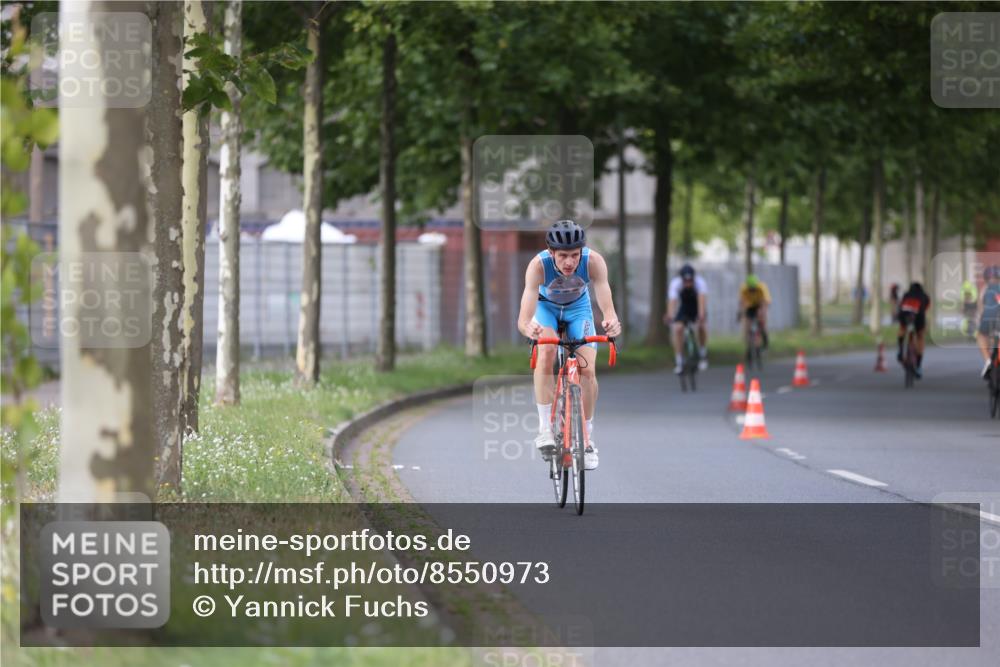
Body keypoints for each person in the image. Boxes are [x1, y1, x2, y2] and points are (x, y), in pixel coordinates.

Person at [517, 220, 622, 471]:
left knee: (588, 370)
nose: (569, 262)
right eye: (563, 256)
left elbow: (606, 303)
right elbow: (523, 318)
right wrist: (527, 327)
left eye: (574, 255)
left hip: (578, 310)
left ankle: (586, 440)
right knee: (548, 350)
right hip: (546, 309)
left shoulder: (593, 261)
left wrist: (611, 320)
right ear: (551, 253)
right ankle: (544, 429)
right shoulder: (538, 266)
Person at [664, 263, 709, 374]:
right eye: (686, 281)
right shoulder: (675, 284)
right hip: (684, 307)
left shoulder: (700, 283)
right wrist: (670, 315)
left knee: (701, 327)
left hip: (696, 305)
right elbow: (672, 302)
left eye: (690, 281)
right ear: (682, 279)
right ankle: (679, 361)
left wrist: (701, 316)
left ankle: (702, 354)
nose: (688, 283)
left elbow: (701, 301)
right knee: (678, 329)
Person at [896, 281, 931, 379]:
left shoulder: (906, 295)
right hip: (919, 316)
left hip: (905, 314)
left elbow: (901, 305)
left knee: (902, 328)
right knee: (920, 336)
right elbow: (926, 308)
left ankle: (900, 350)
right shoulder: (925, 296)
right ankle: (918, 366)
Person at [976, 266, 1000, 378]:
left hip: (989, 317)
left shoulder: (985, 288)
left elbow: (981, 308)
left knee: (981, 336)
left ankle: (988, 361)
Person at [738, 274, 771, 349]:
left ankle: (764, 335)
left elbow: (765, 302)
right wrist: (740, 312)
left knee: (762, 319)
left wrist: (763, 312)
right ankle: (749, 346)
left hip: (761, 304)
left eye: (754, 289)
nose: (752, 291)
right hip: (750, 306)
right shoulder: (744, 288)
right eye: (750, 289)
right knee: (747, 324)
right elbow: (741, 302)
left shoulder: (762, 287)